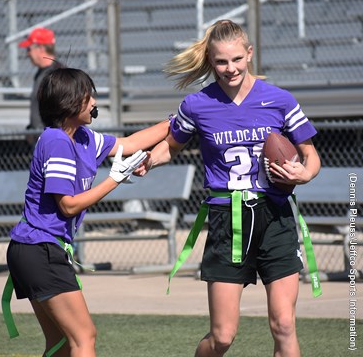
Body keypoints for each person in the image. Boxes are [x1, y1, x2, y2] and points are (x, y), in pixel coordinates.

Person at [135, 20, 321, 357]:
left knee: (284, 324)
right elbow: (170, 146)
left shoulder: (279, 100)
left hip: (275, 217)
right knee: (222, 336)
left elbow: (311, 157)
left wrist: (303, 174)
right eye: (221, 61)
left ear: (249, 54)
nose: (230, 68)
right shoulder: (197, 105)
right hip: (227, 220)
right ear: (210, 61)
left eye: (237, 59)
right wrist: (149, 160)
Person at [5, 67, 171, 357]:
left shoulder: (83, 137)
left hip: (37, 248)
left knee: (59, 345)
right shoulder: (57, 140)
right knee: (84, 338)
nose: (94, 101)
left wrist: (181, 120)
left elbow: (130, 143)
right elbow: (67, 205)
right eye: (88, 95)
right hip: (39, 249)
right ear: (69, 102)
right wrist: (114, 180)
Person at [19, 27, 61, 131]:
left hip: (51, 139)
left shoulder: (58, 74)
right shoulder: (41, 73)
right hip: (40, 137)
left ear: (41, 48)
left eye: (29, 49)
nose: (27, 54)